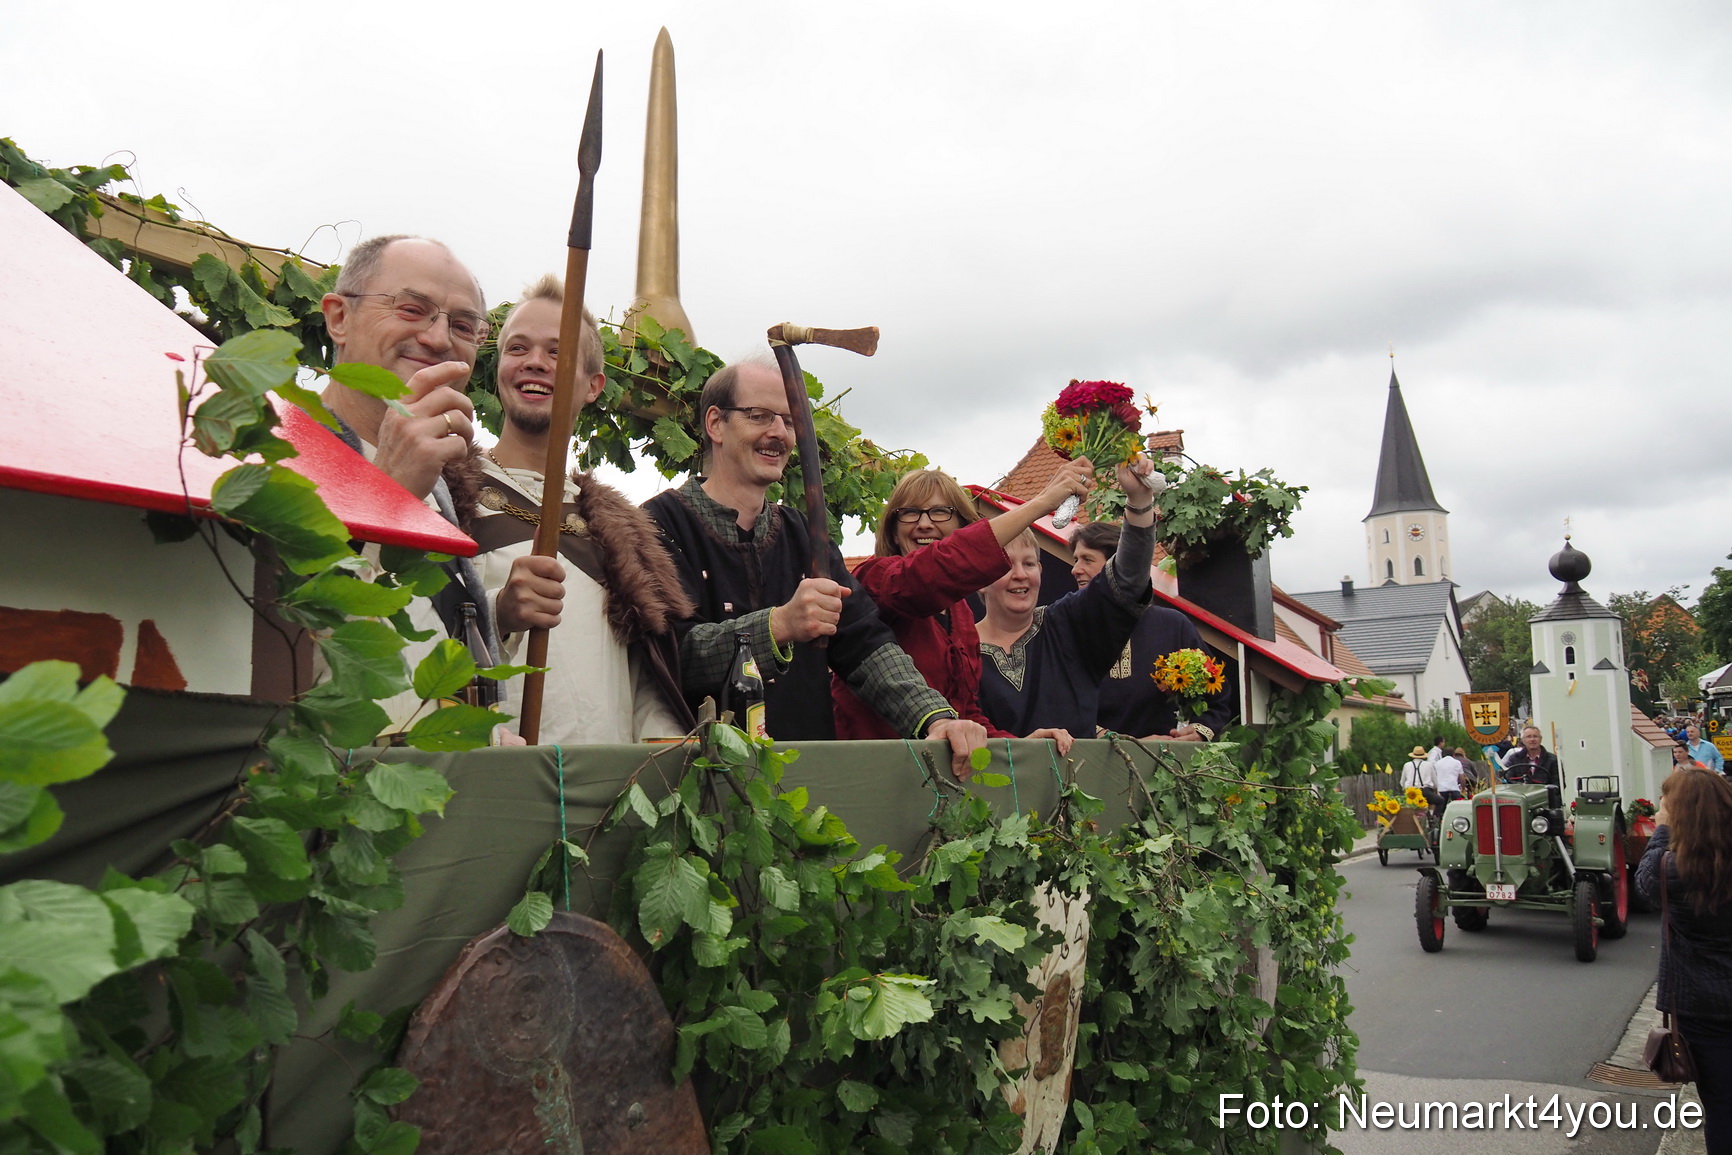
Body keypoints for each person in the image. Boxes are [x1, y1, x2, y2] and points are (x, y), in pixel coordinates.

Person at [643, 360, 988, 775]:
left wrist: (935, 717)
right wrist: (777, 626)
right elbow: (669, 656)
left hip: (804, 780)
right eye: (760, 416)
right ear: (716, 423)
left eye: (789, 422)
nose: (778, 433)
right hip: (695, 780)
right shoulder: (657, 525)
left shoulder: (803, 534)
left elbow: (865, 643)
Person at [454, 275, 694, 744]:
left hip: (608, 793)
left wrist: (659, 743)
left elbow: (645, 679)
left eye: (557, 352)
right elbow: (419, 639)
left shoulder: (621, 530)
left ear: (593, 385)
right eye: (517, 349)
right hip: (501, 781)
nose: (535, 363)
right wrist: (498, 614)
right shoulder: (448, 498)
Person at [313, 235, 500, 725]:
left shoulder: (443, 487)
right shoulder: (271, 452)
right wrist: (387, 498)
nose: (439, 339)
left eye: (463, 325)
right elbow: (276, 651)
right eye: (412, 308)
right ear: (338, 318)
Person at [831, 464, 1091, 749]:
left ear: (962, 528)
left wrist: (1020, 748)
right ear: (893, 533)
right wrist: (1040, 504)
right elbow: (931, 571)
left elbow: (966, 715)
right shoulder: (876, 579)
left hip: (942, 782)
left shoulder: (961, 614)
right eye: (909, 513)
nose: (924, 523)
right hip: (879, 773)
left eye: (940, 512)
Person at [974, 462, 1157, 739]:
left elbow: (1127, 580)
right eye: (1006, 566)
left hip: (1078, 780)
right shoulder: (957, 649)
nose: (1020, 575)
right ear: (980, 580)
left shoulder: (1067, 625)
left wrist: (1140, 500)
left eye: (1030, 564)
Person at [1068, 520, 1234, 742]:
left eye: (1087, 559)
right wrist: (1121, 743)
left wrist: (1199, 731)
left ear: (1120, 567)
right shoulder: (1067, 628)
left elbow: (1218, 699)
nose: (1075, 569)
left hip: (1164, 766)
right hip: (1090, 764)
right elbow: (1057, 707)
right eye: (1076, 560)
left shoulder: (1173, 626)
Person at [1637, 769, 1732, 1152]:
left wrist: (1661, 830)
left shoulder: (1672, 869)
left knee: (1723, 1108)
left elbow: (1644, 885)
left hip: (1703, 1011)